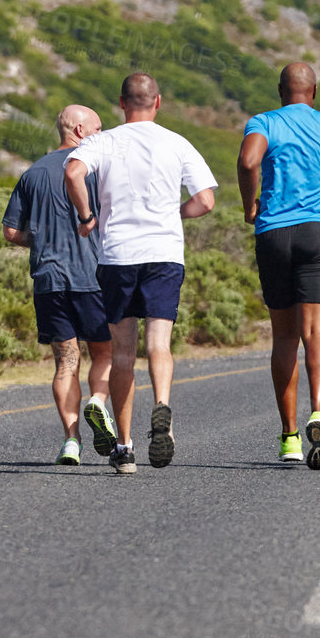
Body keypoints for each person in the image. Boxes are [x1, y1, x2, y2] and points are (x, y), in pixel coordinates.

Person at [65, 73, 217, 473]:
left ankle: (125, 447)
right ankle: (162, 406)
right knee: (160, 345)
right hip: (164, 253)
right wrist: (174, 213)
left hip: (117, 256)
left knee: (121, 354)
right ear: (158, 102)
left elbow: (73, 173)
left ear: (121, 103)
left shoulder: (103, 141)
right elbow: (205, 200)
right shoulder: (177, 142)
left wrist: (86, 216)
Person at [236, 63, 320, 470]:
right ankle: (319, 413)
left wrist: (251, 206)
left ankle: (290, 437)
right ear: (315, 91)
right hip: (317, 234)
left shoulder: (264, 121)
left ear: (281, 91)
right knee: (318, 333)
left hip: (274, 235)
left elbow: (247, 162)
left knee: (284, 338)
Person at [2, 105, 110, 466]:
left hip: (49, 279)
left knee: (66, 361)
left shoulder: (33, 172)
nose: (101, 134)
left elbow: (11, 232)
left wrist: (45, 241)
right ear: (79, 130)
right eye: (98, 128)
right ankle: (98, 402)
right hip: (93, 277)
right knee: (105, 352)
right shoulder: (93, 169)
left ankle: (71, 440)